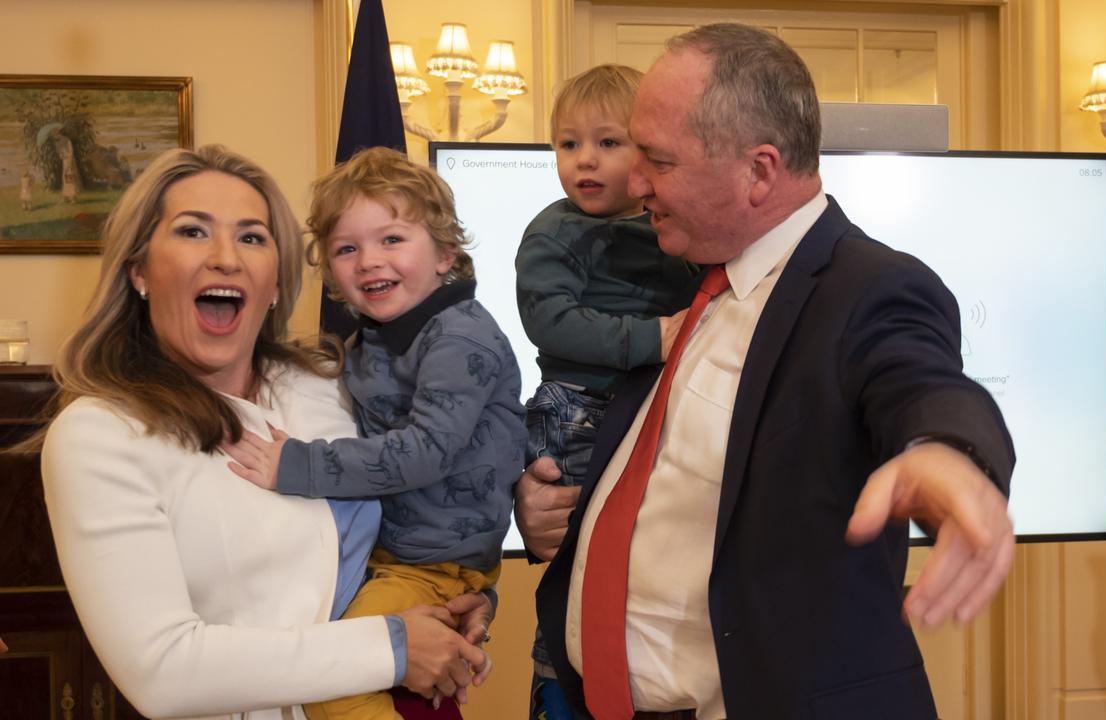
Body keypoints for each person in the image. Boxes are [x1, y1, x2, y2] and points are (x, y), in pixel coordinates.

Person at [516, 23, 1016, 719]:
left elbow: (922, 385)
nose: (634, 182)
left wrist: (950, 456)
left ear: (758, 171)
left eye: (657, 160)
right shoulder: (677, 279)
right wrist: (546, 505)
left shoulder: (868, 287)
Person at [29, 144, 492, 719]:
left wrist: (461, 592)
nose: (226, 257)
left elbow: (429, 475)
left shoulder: (330, 382)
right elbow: (162, 671)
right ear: (140, 270)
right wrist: (394, 646)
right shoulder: (99, 434)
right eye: (193, 231)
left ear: (275, 282)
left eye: (251, 237)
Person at [224, 146, 526, 719]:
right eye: (346, 248)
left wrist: (297, 464)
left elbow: (426, 451)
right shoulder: (372, 343)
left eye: (391, 240)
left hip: (430, 566)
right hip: (397, 555)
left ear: (446, 253)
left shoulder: (458, 339)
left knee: (334, 680)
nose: (368, 260)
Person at [513, 63, 699, 718]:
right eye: (568, 144)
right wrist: (652, 340)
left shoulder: (674, 226)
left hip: (653, 408)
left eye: (607, 143)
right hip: (580, 410)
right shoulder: (557, 232)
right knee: (589, 562)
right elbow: (550, 321)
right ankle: (564, 680)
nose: (584, 161)